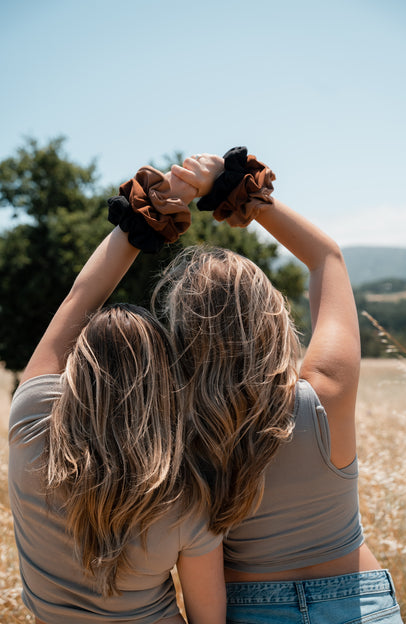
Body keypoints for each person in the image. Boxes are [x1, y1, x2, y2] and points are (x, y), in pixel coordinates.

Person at [153, 148, 403, 623]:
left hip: (249, 609)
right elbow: (327, 258)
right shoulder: (326, 394)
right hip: (359, 603)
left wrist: (144, 219)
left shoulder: (178, 430)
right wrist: (239, 191)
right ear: (272, 316)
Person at [8, 165, 226, 624]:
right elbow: (209, 618)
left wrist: (145, 214)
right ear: (161, 384)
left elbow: (78, 300)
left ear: (78, 367)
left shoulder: (30, 429)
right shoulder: (186, 497)